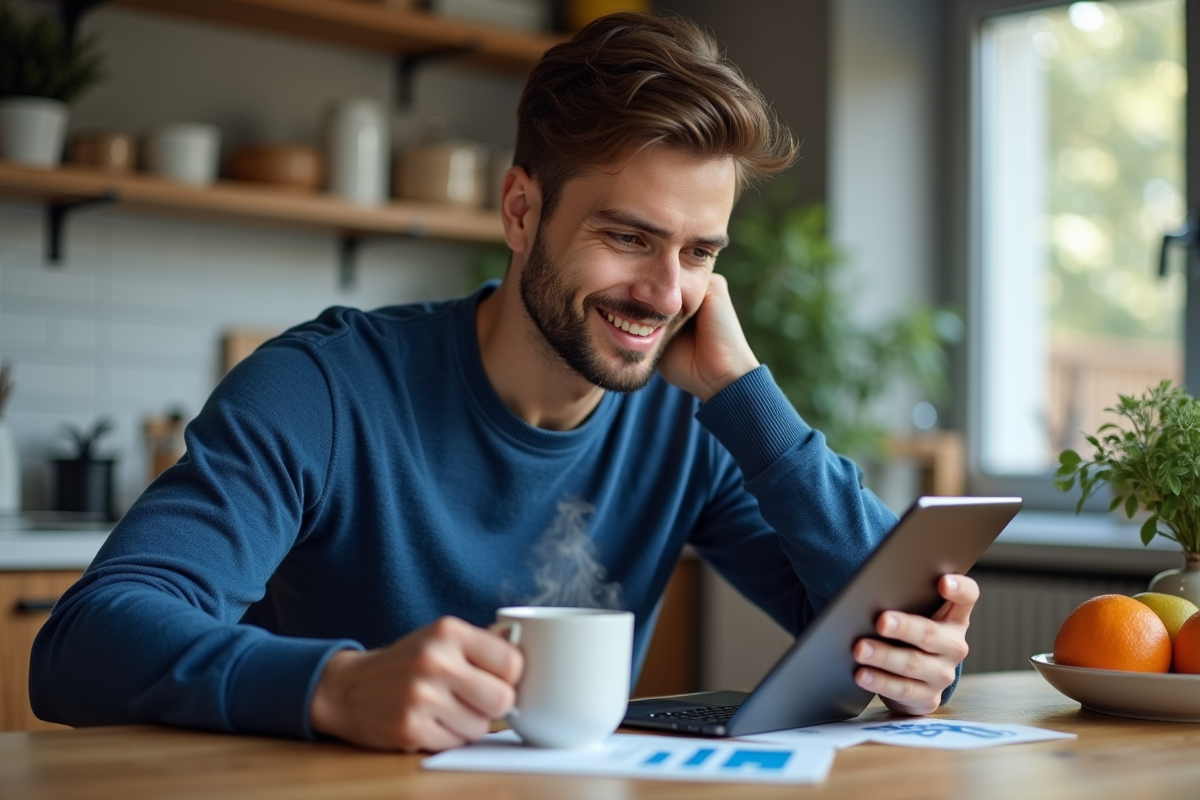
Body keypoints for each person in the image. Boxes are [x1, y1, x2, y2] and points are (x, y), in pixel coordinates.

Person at [30, 12, 977, 753]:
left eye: (699, 252)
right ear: (521, 210)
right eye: (629, 237)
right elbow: (85, 644)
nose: (664, 292)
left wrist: (749, 394)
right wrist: (334, 686)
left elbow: (872, 623)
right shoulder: (322, 387)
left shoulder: (694, 415)